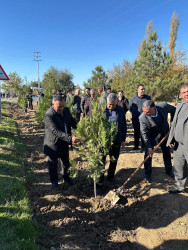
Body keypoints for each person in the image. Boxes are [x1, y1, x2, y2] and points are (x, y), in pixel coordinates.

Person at [43, 95, 80, 190]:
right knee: (53, 164)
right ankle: (54, 182)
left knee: (66, 163)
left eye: (63, 106)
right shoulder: (49, 115)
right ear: (53, 104)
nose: (62, 108)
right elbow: (55, 131)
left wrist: (80, 129)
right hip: (53, 144)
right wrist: (70, 138)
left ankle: (67, 178)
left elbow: (72, 121)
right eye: (59, 106)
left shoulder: (66, 110)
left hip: (64, 143)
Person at [97, 93, 126, 194]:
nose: (110, 106)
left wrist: (123, 139)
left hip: (116, 140)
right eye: (108, 104)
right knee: (101, 162)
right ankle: (99, 183)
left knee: (114, 160)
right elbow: (95, 125)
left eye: (112, 105)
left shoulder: (121, 110)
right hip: (103, 142)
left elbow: (123, 125)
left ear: (116, 103)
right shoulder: (101, 110)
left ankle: (110, 176)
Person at [139, 100, 176, 182]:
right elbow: (144, 133)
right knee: (148, 155)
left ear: (154, 108)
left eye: (148, 112)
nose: (146, 114)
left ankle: (169, 170)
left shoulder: (163, 106)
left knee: (166, 152)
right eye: (144, 112)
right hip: (151, 136)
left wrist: (173, 125)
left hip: (164, 133)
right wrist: (148, 147)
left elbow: (175, 110)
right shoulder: (142, 118)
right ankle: (147, 175)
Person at [167, 83, 188, 193]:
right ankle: (179, 186)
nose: (186, 94)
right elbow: (174, 123)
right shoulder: (180, 106)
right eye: (184, 92)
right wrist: (171, 139)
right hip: (179, 144)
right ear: (181, 94)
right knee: (179, 167)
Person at [129, 84, 151, 150]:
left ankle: (144, 146)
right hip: (136, 118)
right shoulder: (132, 99)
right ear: (137, 90)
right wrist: (134, 113)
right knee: (136, 132)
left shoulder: (148, 98)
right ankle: (136, 146)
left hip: (145, 118)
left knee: (144, 132)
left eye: (144, 89)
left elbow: (151, 106)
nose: (143, 90)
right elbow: (130, 108)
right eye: (141, 89)